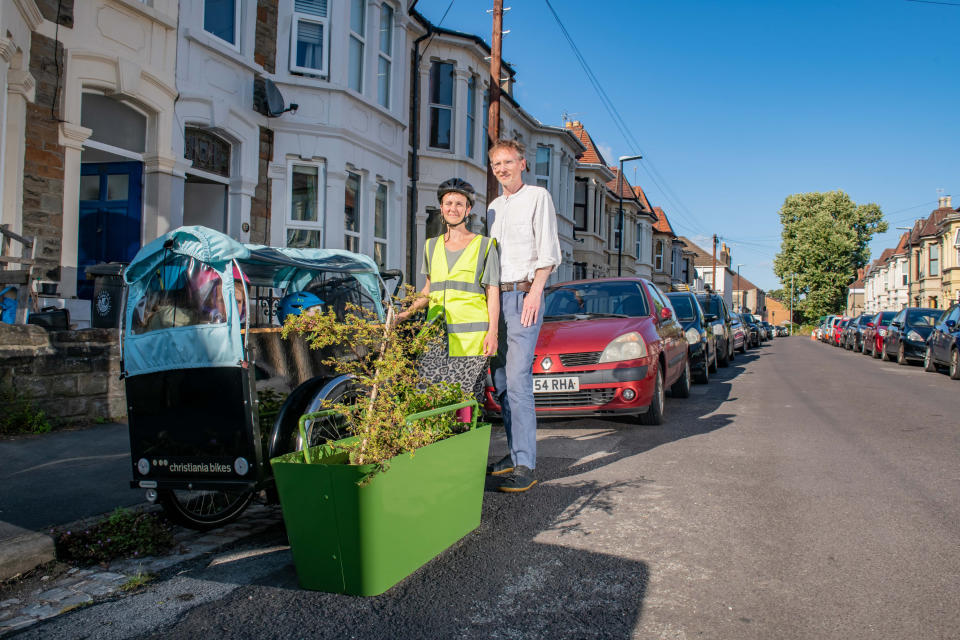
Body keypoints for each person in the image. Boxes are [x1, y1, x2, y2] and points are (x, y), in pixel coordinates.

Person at [486, 139, 561, 493]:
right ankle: (514, 455)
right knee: (500, 381)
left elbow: (548, 251)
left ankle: (526, 465)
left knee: (517, 381)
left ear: (522, 163)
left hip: (523, 295)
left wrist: (535, 291)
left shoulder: (537, 197)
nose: (502, 169)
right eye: (496, 164)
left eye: (507, 162)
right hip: (497, 299)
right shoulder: (493, 207)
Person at [396, 178, 500, 406]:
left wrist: (492, 333)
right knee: (429, 400)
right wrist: (405, 314)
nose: (453, 208)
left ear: (468, 209)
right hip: (436, 337)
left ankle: (468, 441)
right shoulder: (431, 246)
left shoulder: (484, 246)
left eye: (459, 204)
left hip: (472, 340)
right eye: (448, 203)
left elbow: (493, 292)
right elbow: (428, 290)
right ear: (441, 208)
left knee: (463, 404)